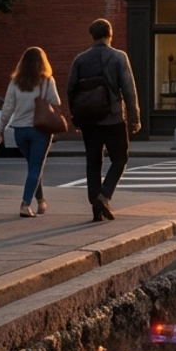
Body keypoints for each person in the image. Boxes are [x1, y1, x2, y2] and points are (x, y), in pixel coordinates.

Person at [67, 19, 139, 223]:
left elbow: (71, 90)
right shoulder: (118, 57)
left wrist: (76, 118)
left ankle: (96, 208)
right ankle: (104, 196)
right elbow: (128, 89)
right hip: (113, 118)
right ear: (110, 34)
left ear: (92, 36)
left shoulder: (79, 60)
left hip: (89, 121)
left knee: (93, 162)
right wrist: (134, 117)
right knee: (120, 159)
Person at [0, 46, 60, 218]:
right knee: (35, 167)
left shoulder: (15, 82)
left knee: (33, 166)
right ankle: (25, 204)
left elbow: (7, 107)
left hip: (20, 132)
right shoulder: (47, 81)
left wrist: (0, 129)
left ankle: (41, 202)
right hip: (40, 129)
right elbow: (55, 101)